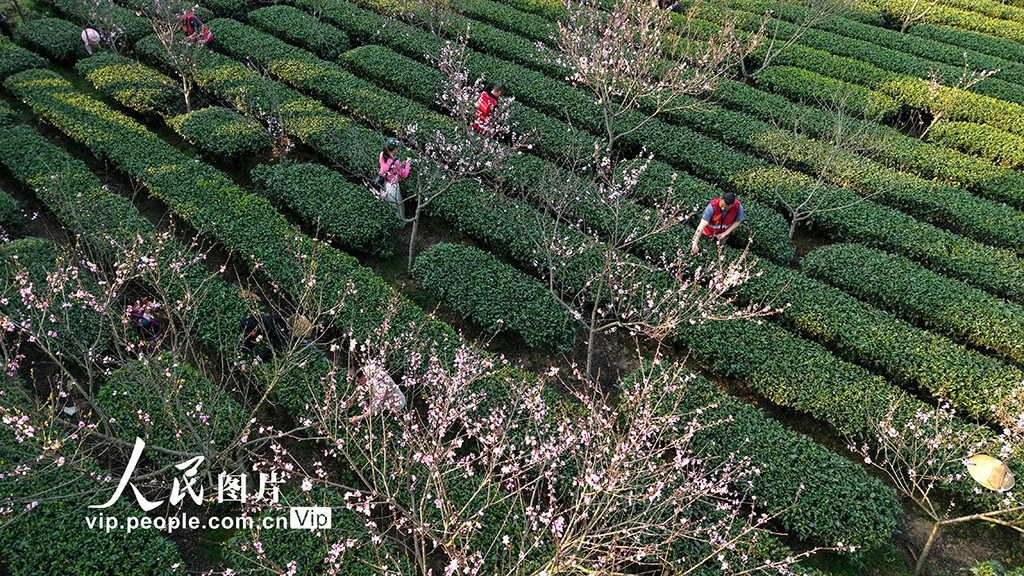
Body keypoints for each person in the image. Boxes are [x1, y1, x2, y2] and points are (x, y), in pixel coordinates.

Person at [237, 314, 311, 370]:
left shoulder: (269, 326)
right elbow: (247, 344)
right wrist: (243, 361)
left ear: (253, 331)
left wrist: (258, 359)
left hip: (286, 331)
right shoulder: (251, 328)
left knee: (304, 342)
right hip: (278, 332)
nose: (248, 336)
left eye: (248, 334)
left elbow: (271, 345)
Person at [377, 137, 411, 221]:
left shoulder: (382, 154)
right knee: (397, 205)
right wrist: (408, 164)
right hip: (392, 187)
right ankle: (400, 221)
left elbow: (387, 166)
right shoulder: (396, 163)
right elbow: (404, 174)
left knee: (388, 203)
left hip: (384, 183)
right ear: (395, 149)